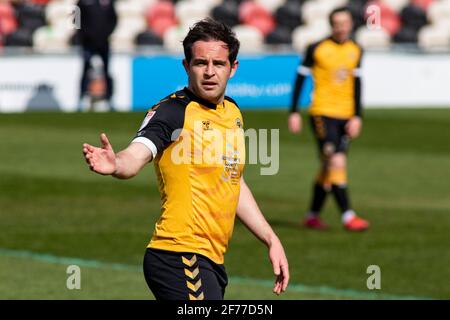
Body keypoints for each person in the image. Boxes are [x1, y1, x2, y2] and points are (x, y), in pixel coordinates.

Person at [83, 18, 289, 300]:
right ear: (186, 66)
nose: (209, 72)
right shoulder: (173, 111)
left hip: (210, 260)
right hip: (178, 255)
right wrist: (116, 164)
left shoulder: (233, 113)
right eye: (200, 63)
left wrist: (270, 239)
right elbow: (137, 153)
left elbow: (233, 180)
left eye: (218, 64)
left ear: (233, 68)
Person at [288, 7, 370, 232]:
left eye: (345, 23)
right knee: (336, 161)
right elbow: (300, 80)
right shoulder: (317, 48)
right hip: (322, 113)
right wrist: (294, 111)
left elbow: (357, 85)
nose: (341, 27)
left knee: (328, 167)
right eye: (337, 23)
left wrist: (357, 117)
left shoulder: (356, 50)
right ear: (331, 25)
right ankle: (348, 216)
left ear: (351, 24)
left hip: (346, 115)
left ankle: (312, 215)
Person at [77, 0, 117, 111]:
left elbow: (113, 19)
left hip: (104, 43)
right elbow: (76, 19)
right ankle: (82, 98)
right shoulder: (83, 2)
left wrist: (105, 34)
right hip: (87, 43)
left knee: (107, 71)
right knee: (85, 71)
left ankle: (109, 99)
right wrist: (85, 36)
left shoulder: (108, 2)